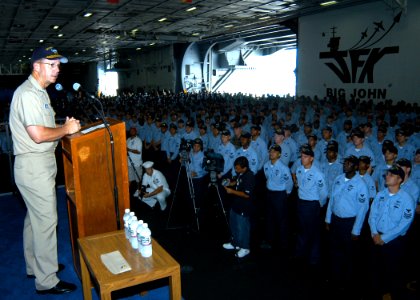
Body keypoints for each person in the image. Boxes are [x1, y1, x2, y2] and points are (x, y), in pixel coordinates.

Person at [9, 46, 80, 294]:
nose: (57, 69)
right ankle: (46, 279)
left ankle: (35, 266)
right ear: (37, 66)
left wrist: (62, 127)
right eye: (52, 65)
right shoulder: (28, 94)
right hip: (34, 167)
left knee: (34, 221)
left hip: (38, 166)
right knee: (47, 221)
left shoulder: (39, 93)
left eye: (59, 65)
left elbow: (42, 128)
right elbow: (38, 135)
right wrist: (66, 130)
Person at [368, 165, 415, 300]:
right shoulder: (380, 194)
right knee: (376, 269)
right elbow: (372, 215)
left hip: (394, 241)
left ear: (400, 179)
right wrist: (374, 233)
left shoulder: (406, 198)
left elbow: (404, 224)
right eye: (387, 174)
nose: (387, 176)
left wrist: (384, 237)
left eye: (392, 175)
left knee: (393, 271)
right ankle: (376, 292)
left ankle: (391, 293)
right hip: (376, 237)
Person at [325, 155, 369, 292]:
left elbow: (363, 209)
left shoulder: (360, 184)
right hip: (336, 220)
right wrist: (328, 219)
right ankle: (335, 278)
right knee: (334, 251)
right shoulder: (338, 179)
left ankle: (347, 281)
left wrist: (356, 230)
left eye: (349, 163)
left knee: (348, 254)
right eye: (345, 162)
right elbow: (331, 200)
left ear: (356, 167)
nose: (346, 164)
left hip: (349, 223)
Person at [294, 144, 328, 266]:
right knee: (301, 230)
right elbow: (298, 184)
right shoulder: (299, 169)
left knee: (313, 231)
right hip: (301, 202)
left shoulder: (317, 174)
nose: (302, 159)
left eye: (305, 157)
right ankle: (300, 254)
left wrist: (319, 205)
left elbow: (323, 192)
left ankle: (314, 257)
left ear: (311, 158)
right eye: (302, 156)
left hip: (312, 204)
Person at [222, 156, 255, 258]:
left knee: (242, 227)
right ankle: (235, 243)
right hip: (236, 204)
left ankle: (245, 248)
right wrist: (229, 183)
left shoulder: (249, 177)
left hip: (244, 206)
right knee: (233, 224)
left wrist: (231, 191)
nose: (235, 170)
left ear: (244, 168)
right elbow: (237, 182)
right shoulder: (241, 173)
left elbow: (247, 194)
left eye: (237, 168)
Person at [263, 144, 293, 251]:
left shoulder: (283, 168)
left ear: (279, 154)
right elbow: (267, 178)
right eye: (271, 151)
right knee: (269, 218)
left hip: (280, 195)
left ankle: (283, 243)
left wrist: (287, 193)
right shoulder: (266, 165)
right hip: (269, 193)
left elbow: (289, 182)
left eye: (274, 152)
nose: (272, 153)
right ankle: (270, 241)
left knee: (281, 219)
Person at [127, 127, 143, 192]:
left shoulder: (138, 140)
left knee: (138, 179)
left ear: (136, 132)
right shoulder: (128, 139)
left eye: (133, 131)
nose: (132, 132)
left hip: (136, 163)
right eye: (131, 131)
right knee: (129, 178)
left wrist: (129, 150)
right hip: (128, 162)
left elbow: (138, 151)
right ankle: (127, 191)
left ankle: (139, 191)